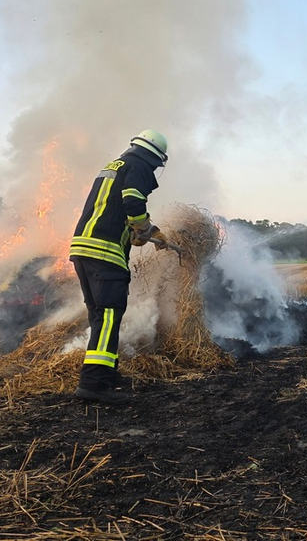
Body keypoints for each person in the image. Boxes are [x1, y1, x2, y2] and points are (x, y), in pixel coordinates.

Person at [69, 129, 170, 405]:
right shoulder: (138, 164)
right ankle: (93, 383)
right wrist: (145, 227)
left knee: (100, 315)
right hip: (104, 252)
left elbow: (115, 209)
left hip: (84, 248)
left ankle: (107, 373)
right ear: (154, 158)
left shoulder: (115, 166)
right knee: (109, 314)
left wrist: (144, 232)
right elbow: (133, 201)